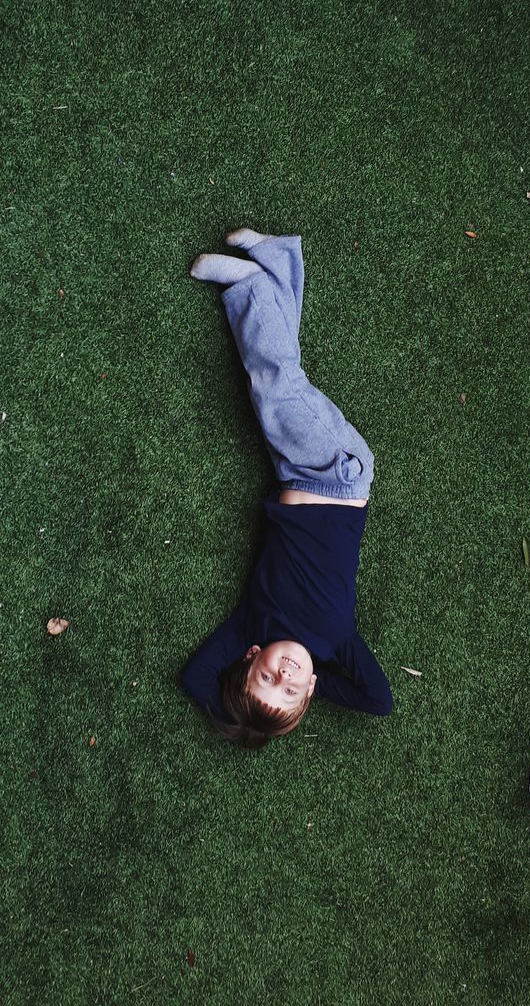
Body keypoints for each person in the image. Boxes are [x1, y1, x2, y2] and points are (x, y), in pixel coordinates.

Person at [180, 229, 392, 749]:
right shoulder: (335, 644)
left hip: (295, 474)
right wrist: (316, 691)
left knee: (277, 386)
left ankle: (276, 268)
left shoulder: (252, 625)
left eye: (268, 678)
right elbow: (378, 700)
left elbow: (195, 677)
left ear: (251, 658)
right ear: (311, 687)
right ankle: (255, 281)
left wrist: (238, 714)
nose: (286, 673)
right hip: (337, 474)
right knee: (277, 385)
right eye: (293, 688)